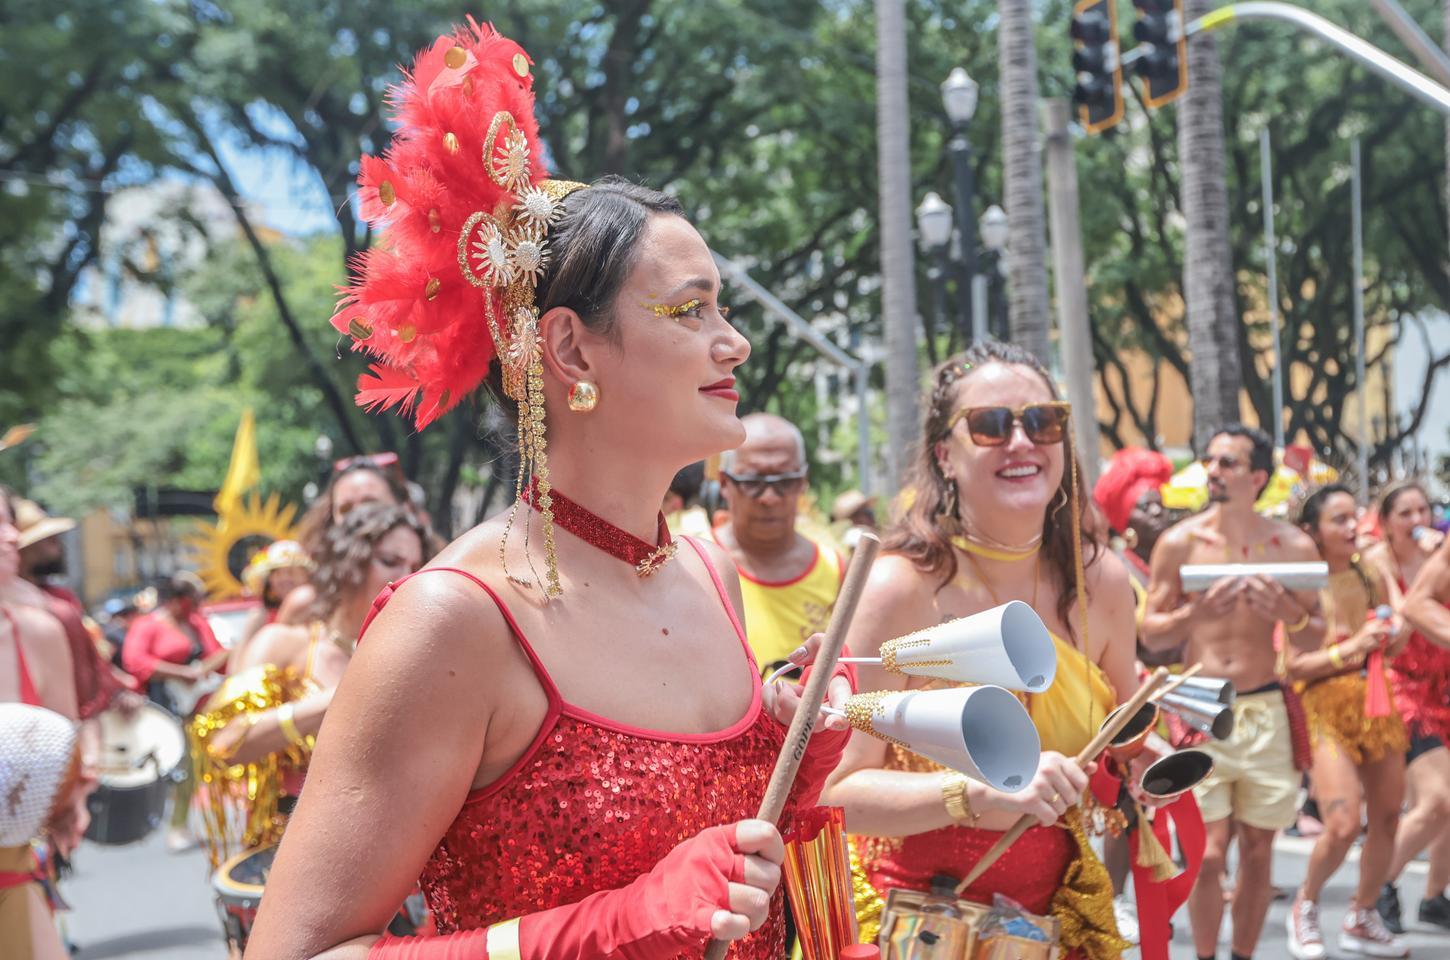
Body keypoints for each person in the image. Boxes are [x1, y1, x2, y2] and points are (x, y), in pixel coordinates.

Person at [243, 21, 849, 959]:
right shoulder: (452, 621)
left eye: (723, 308)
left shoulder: (710, 571)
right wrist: (610, 927)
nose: (734, 343)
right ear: (568, 349)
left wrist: (785, 765)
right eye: (691, 310)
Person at [821, 343, 1142, 959]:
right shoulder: (899, 588)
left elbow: (1122, 738)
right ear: (945, 453)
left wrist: (1147, 760)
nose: (1021, 441)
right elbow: (836, 794)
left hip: (1053, 925)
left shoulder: (1099, 580)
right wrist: (978, 793)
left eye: (1043, 421)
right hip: (917, 927)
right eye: (991, 425)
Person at [192, 505, 428, 955]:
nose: (409, 575)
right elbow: (221, 742)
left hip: (391, 873)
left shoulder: (407, 651)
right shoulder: (286, 644)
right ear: (348, 565)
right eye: (391, 561)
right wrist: (336, 698)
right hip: (297, 868)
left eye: (417, 564)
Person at [1142, 424, 1324, 960]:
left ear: (1258, 477)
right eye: (1211, 461)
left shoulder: (1291, 544)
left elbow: (1317, 629)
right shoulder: (1181, 542)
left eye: (1228, 463)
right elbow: (1151, 631)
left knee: (1260, 852)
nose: (1214, 471)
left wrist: (1287, 612)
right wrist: (1195, 612)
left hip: (1266, 705)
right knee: (1207, 853)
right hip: (1200, 704)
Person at [1283, 484, 1408, 959]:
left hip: (1376, 699)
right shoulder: (1301, 582)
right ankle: (1306, 904)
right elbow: (1292, 665)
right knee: (1340, 823)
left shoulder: (1370, 572)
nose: (1352, 526)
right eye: (1339, 519)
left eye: (1354, 516)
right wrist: (1351, 647)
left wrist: (1394, 627)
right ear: (1312, 531)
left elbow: (1392, 644)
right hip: (1323, 705)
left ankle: (1363, 913)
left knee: (1389, 816)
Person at [0, 486, 82, 960]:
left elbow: (65, 765)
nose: (14, 535)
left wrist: (72, 795)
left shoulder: (44, 628)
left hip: (16, 885)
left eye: (10, 520)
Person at [713, 412, 844, 678]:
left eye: (785, 481)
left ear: (803, 482)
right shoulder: (689, 561)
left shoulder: (836, 570)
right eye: (753, 482)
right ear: (725, 483)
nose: (770, 498)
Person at [122, 571, 228, 850]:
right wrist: (180, 672)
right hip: (164, 706)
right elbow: (136, 662)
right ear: (175, 600)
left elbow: (216, 655)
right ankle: (176, 826)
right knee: (184, 768)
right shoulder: (148, 625)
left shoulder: (196, 622)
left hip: (200, 707)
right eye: (191, 600)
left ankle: (184, 823)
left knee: (196, 767)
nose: (195, 605)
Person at [15, 499, 141, 720]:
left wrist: (118, 688)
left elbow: (90, 661)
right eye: (50, 541)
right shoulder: (34, 605)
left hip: (76, 717)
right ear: (25, 550)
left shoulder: (61, 598)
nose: (59, 547)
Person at [1390, 493, 1450, 931]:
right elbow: (1407, 609)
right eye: (1404, 513)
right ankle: (1375, 890)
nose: (1417, 520)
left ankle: (1434, 897)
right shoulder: (1374, 559)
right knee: (1437, 801)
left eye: (1422, 511)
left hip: (1443, 687)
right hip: (1404, 690)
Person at [279, 459, 408, 626]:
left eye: (370, 503)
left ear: (403, 509)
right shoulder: (304, 607)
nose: (357, 517)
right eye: (345, 509)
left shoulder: (433, 587)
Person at [234, 539, 314, 661]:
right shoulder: (259, 616)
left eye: (291, 571)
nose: (285, 578)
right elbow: (237, 667)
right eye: (277, 573)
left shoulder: (320, 614)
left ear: (306, 576)